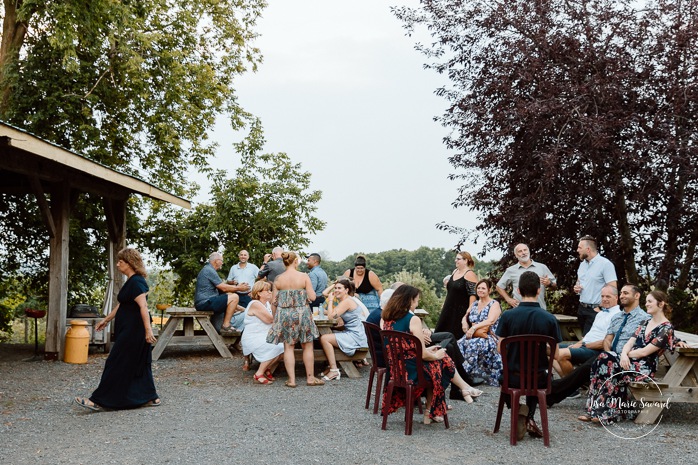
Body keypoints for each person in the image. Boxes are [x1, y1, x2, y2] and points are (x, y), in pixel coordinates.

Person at [381, 285, 482, 425]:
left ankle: (462, 390)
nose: (416, 304)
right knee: (441, 362)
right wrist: (435, 355)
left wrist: (432, 351)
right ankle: (460, 391)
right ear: (409, 300)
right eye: (416, 301)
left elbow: (408, 348)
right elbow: (422, 354)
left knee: (439, 360)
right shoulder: (413, 319)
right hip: (412, 372)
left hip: (397, 369)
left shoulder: (387, 318)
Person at [74, 248, 159, 411]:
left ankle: (99, 400)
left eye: (121, 261)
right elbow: (122, 305)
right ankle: (150, 397)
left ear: (129, 264)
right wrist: (106, 320)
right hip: (128, 329)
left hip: (134, 331)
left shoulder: (137, 282)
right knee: (137, 363)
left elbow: (143, 307)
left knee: (115, 362)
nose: (118, 264)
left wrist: (148, 331)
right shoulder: (131, 281)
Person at [579, 290, 676, 424]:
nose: (646, 304)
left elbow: (644, 352)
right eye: (646, 301)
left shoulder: (666, 328)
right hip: (628, 361)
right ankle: (596, 410)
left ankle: (603, 412)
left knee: (607, 362)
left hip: (643, 367)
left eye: (650, 301)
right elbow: (629, 342)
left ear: (661, 304)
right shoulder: (645, 322)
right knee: (603, 359)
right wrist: (623, 355)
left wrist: (625, 356)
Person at [495, 271, 562, 440]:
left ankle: (520, 412)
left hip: (513, 377)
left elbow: (499, 349)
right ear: (539, 291)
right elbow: (557, 354)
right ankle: (529, 415)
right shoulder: (549, 318)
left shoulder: (508, 316)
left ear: (518, 290)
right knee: (535, 377)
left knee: (501, 377)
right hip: (539, 378)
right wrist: (539, 348)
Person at [266, 251, 325, 387]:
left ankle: (291, 380)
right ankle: (310, 378)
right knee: (307, 345)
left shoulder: (278, 279)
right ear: (296, 262)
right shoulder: (304, 276)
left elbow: (274, 301)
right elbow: (313, 297)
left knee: (288, 347)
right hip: (302, 313)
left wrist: (275, 319)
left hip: (285, 314)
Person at [553, 285, 620, 377]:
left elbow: (608, 342)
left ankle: (571, 387)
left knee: (560, 354)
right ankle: (567, 381)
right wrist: (578, 344)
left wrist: (583, 345)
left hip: (595, 349)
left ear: (616, 297)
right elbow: (589, 335)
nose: (604, 299)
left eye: (608, 296)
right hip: (584, 345)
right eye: (602, 296)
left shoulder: (618, 316)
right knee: (548, 348)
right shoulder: (600, 314)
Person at [319, 278, 368, 380]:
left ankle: (334, 370)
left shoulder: (347, 302)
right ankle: (330, 366)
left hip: (356, 336)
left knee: (325, 338)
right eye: (335, 288)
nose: (336, 290)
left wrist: (331, 300)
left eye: (339, 288)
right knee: (330, 334)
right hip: (354, 332)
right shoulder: (345, 301)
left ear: (346, 290)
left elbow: (331, 317)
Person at [457, 279, 503, 386]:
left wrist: (473, 328)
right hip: (473, 335)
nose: (480, 290)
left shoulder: (494, 304)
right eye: (478, 288)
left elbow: (490, 320)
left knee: (473, 344)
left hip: (489, 337)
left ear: (489, 290)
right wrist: (464, 322)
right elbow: (466, 315)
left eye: (483, 288)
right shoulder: (475, 303)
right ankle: (461, 375)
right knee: (458, 344)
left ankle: (467, 376)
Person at [240, 281, 283, 385]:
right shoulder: (255, 304)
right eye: (267, 290)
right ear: (259, 293)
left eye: (270, 290)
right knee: (279, 347)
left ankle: (267, 369)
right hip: (253, 337)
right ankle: (259, 373)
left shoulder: (267, 304)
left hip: (264, 335)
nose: (270, 292)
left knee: (286, 347)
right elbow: (270, 320)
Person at [574, 235, 618, 335]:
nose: (577, 250)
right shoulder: (582, 264)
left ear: (588, 249)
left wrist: (601, 307)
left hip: (596, 310)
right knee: (584, 339)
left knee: (589, 342)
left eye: (580, 248)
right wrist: (577, 287)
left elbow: (612, 288)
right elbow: (579, 282)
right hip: (581, 308)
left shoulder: (605, 264)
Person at [194, 252, 246, 335]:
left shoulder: (209, 269)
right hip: (204, 303)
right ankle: (226, 325)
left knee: (231, 297)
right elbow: (224, 288)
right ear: (217, 261)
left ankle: (226, 327)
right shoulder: (209, 270)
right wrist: (239, 288)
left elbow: (223, 290)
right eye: (221, 261)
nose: (222, 263)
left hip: (206, 301)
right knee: (235, 297)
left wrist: (243, 309)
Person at [496, 243, 556, 310]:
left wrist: (549, 283)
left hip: (539, 310)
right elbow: (499, 286)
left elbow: (555, 286)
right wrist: (508, 299)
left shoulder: (542, 267)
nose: (523, 253)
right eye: (520, 251)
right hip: (519, 311)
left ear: (529, 252)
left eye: (525, 250)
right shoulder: (511, 270)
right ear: (516, 255)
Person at [435, 251, 478, 340]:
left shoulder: (470, 274)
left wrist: (466, 316)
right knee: (440, 335)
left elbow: (473, 296)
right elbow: (451, 291)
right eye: (456, 258)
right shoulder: (455, 272)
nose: (455, 261)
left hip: (460, 312)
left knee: (455, 339)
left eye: (458, 259)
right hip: (448, 310)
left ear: (466, 261)